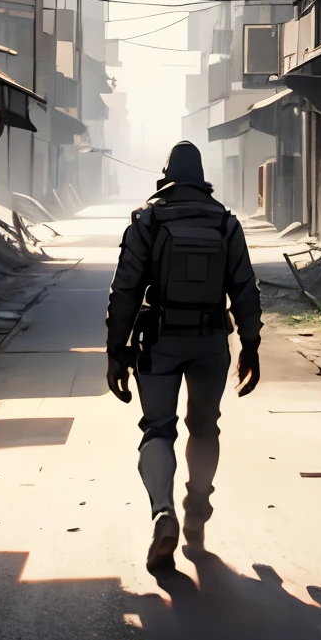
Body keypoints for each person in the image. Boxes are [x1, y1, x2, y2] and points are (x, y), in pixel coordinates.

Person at [105, 140, 262, 573]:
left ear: (167, 174)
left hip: (160, 340)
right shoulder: (226, 224)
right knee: (205, 426)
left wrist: (116, 352)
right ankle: (197, 503)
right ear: (201, 178)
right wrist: (250, 346)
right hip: (212, 342)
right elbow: (246, 290)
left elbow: (124, 292)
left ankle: (162, 513)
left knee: (158, 428)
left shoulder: (148, 220)